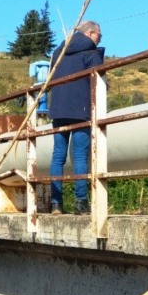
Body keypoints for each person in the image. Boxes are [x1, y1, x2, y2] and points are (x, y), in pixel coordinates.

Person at [48, 21, 104, 214]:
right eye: (99, 36)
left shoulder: (58, 52)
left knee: (58, 156)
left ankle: (56, 204)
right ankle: (81, 203)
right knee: (80, 155)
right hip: (81, 110)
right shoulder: (91, 52)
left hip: (58, 109)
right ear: (90, 33)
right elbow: (98, 81)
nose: (100, 39)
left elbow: (50, 78)